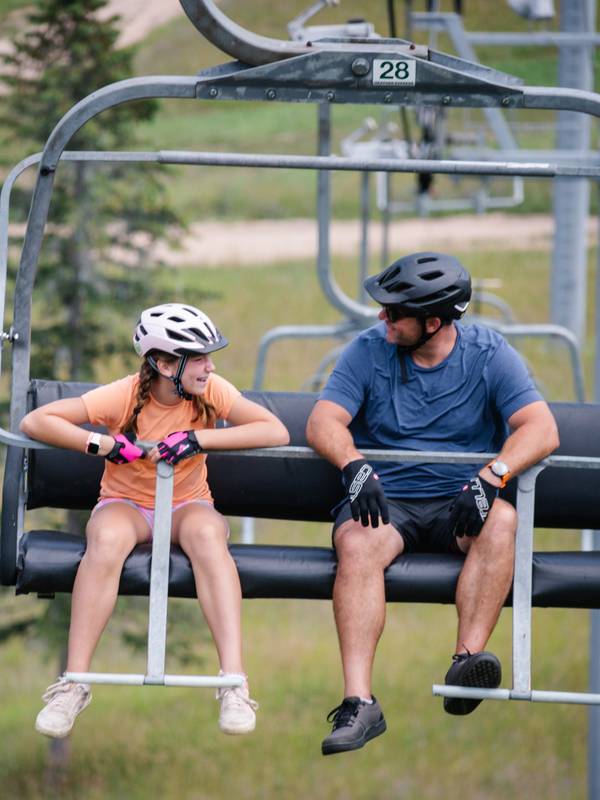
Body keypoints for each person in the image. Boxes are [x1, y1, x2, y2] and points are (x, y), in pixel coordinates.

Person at [306, 252, 559, 756]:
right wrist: (355, 466)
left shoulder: (489, 353)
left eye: (395, 312)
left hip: (459, 504)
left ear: (434, 323)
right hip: (387, 502)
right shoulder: (368, 349)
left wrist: (493, 476)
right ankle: (359, 702)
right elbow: (322, 422)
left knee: (502, 520)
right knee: (357, 542)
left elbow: (542, 428)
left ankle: (467, 662)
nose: (382, 317)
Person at [20, 302, 289, 740]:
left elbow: (274, 431)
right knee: (106, 540)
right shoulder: (124, 395)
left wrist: (199, 439)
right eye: (198, 358)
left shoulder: (211, 390)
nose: (209, 366)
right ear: (164, 364)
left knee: (208, 536)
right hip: (127, 504)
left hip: (187, 505)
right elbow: (37, 421)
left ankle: (234, 683)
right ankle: (74, 683)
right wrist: (103, 445)